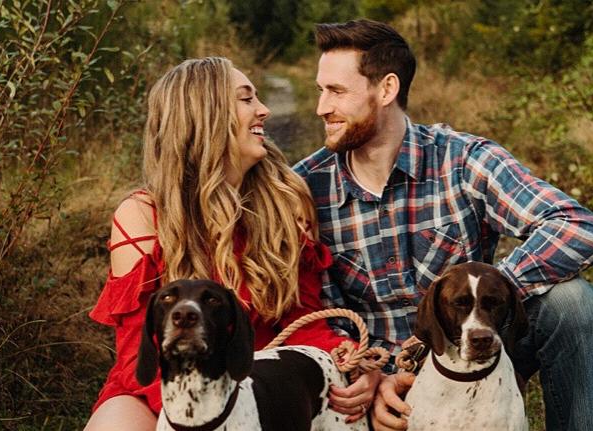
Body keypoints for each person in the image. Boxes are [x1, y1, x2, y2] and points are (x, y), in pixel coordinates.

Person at [293, 19, 593, 431]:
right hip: (380, 375)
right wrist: (370, 374)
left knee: (570, 301)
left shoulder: (462, 160)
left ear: (386, 89)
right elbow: (322, 310)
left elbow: (578, 227)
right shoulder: (307, 186)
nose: (321, 107)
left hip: (478, 343)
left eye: (336, 91)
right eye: (320, 91)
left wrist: (499, 287)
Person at [84, 57, 380, 431]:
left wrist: (345, 357)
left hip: (260, 380)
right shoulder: (142, 215)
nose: (264, 110)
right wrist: (199, 412)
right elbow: (134, 352)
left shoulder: (285, 201)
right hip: (161, 387)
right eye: (246, 99)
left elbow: (300, 320)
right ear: (205, 115)